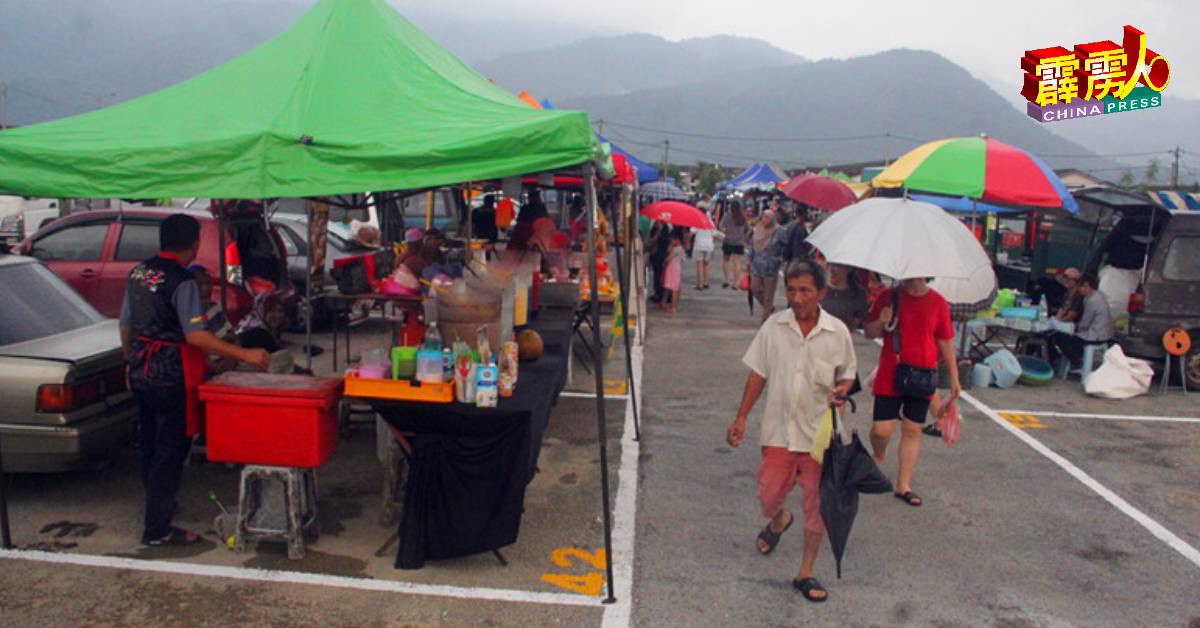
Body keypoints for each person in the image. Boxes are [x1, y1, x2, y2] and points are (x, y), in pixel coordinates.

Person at [120, 214, 270, 546]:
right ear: (194, 244)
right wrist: (245, 355)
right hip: (172, 371)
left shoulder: (138, 273)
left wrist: (128, 358)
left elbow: (126, 324)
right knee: (170, 449)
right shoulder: (183, 281)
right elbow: (196, 336)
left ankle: (159, 505)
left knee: (149, 443)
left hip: (140, 368)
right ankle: (157, 528)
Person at [726, 261, 857, 603]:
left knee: (818, 504)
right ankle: (780, 519)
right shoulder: (774, 326)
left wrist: (841, 391)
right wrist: (741, 417)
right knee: (768, 494)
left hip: (819, 436)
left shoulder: (837, 332)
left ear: (822, 294)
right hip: (780, 431)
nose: (796, 298)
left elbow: (848, 375)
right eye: (792, 290)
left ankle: (806, 571)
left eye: (805, 291)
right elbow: (758, 374)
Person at [863, 277, 960, 507]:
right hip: (890, 372)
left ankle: (903, 485)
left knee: (912, 430)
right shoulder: (889, 296)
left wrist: (955, 379)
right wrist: (881, 320)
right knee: (881, 430)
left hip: (923, 374)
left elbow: (945, 341)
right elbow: (868, 332)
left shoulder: (938, 302)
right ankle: (878, 454)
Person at [1049, 273, 1113, 369]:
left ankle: (1078, 361)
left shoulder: (1092, 301)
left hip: (1096, 337)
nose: (1079, 290)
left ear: (1086, 285)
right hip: (1104, 334)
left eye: (1080, 288)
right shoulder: (1098, 295)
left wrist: (1070, 328)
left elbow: (1084, 325)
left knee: (1060, 338)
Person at [748, 210, 785, 322]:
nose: (764, 220)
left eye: (767, 218)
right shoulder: (758, 229)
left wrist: (780, 260)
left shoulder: (779, 231)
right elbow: (752, 246)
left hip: (771, 266)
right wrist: (749, 261)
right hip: (757, 265)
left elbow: (785, 247)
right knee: (755, 288)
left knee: (769, 293)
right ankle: (768, 307)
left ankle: (765, 317)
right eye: (763, 217)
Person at [820, 263, 869, 331]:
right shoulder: (817, 287)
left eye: (837, 266)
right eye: (829, 265)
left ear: (848, 269)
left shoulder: (858, 294)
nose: (831, 270)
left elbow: (853, 325)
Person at [720, 200, 749, 289]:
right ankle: (736, 282)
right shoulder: (742, 217)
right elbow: (747, 229)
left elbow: (721, 227)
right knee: (737, 262)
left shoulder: (727, 216)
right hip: (739, 242)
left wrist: (726, 232)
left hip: (728, 241)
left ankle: (726, 280)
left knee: (726, 261)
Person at [689, 214, 719, 290]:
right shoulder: (710, 222)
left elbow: (692, 231)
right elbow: (715, 234)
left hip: (699, 245)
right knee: (706, 265)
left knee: (699, 265)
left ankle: (700, 284)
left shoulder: (697, 221)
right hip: (709, 246)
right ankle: (706, 283)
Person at [662, 231, 686, 315]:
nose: (671, 241)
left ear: (677, 240)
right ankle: (676, 305)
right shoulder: (681, 248)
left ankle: (673, 307)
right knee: (677, 287)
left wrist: (664, 262)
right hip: (678, 267)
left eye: (672, 240)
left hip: (673, 267)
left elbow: (669, 258)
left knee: (673, 288)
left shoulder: (676, 249)